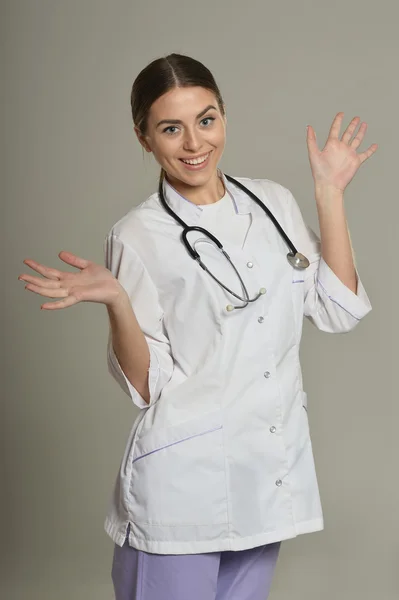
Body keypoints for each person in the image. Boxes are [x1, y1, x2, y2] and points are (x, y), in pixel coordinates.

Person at [18, 53, 377, 600]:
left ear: (224, 118)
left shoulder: (273, 202)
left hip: (265, 474)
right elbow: (146, 385)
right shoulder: (137, 235)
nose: (194, 144)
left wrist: (329, 194)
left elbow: (338, 309)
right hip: (181, 487)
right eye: (170, 128)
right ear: (144, 138)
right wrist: (117, 300)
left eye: (206, 120)